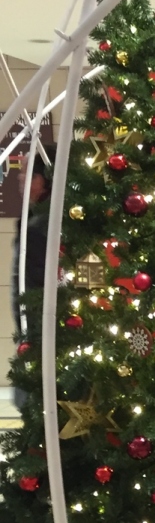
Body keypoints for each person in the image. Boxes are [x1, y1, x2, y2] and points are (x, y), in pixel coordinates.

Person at [12, 152, 52, 410]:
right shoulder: (33, 219)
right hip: (32, 333)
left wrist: (32, 335)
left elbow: (35, 286)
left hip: (40, 335)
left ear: (42, 180)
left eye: (26, 172)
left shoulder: (43, 226)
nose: (20, 178)